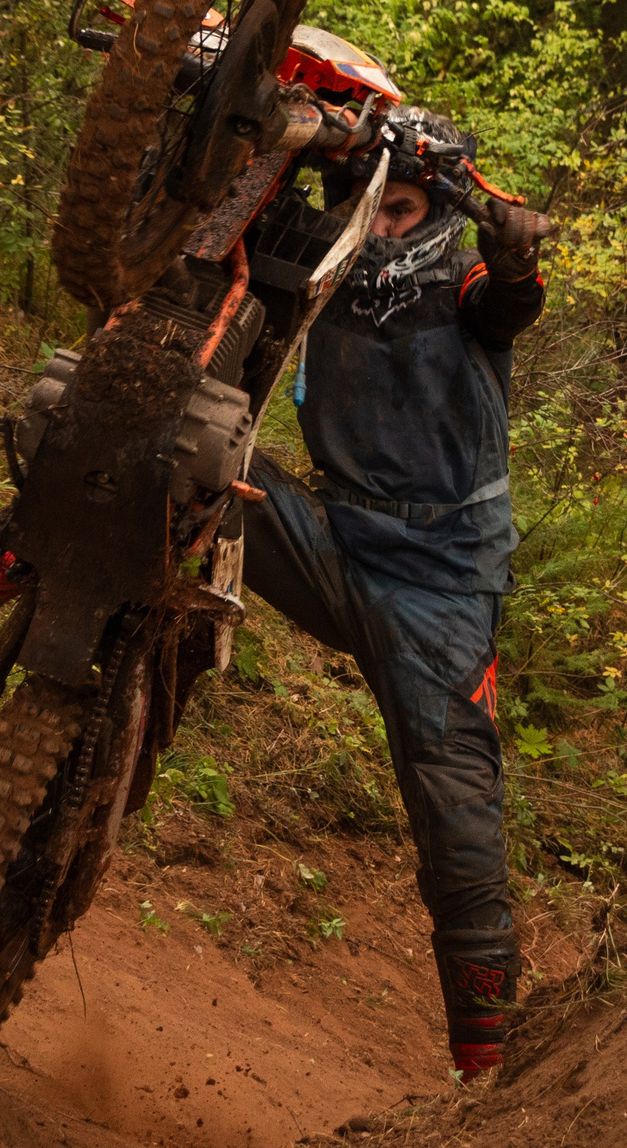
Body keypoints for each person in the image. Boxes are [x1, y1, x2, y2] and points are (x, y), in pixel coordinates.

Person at [234, 108, 551, 1080]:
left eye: (400, 209)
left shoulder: (462, 281)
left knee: (456, 819)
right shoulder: (330, 259)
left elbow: (507, 304)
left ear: (437, 210)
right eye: (367, 205)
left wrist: (514, 259)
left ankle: (486, 1072)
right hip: (331, 539)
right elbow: (231, 222)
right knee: (182, 445)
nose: (379, 226)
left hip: (440, 586)